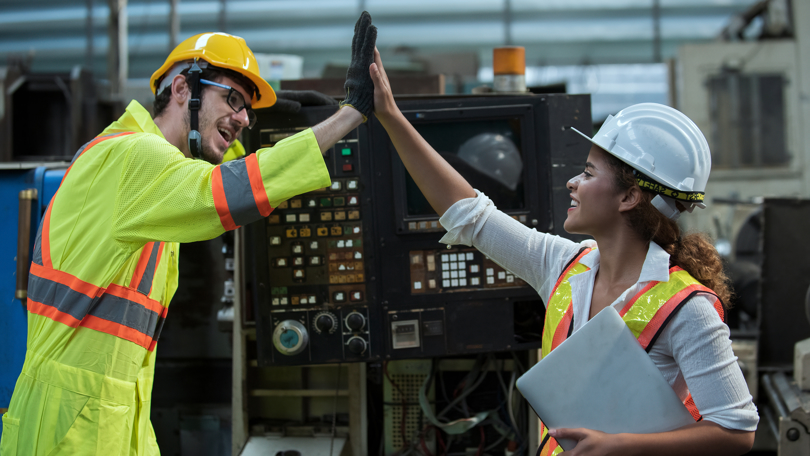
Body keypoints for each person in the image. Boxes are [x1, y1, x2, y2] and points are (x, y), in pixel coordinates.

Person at [0, 12, 377, 456]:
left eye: (249, 111)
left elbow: (219, 159)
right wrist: (347, 116)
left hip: (113, 422)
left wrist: (255, 120)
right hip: (72, 434)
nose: (244, 119)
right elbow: (226, 189)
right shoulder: (133, 158)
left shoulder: (152, 167)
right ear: (182, 89)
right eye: (234, 99)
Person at [368, 50, 758, 455]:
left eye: (588, 173)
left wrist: (620, 446)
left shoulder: (687, 308)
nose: (573, 182)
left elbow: (736, 430)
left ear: (629, 196)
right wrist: (391, 117)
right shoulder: (565, 266)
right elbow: (470, 215)